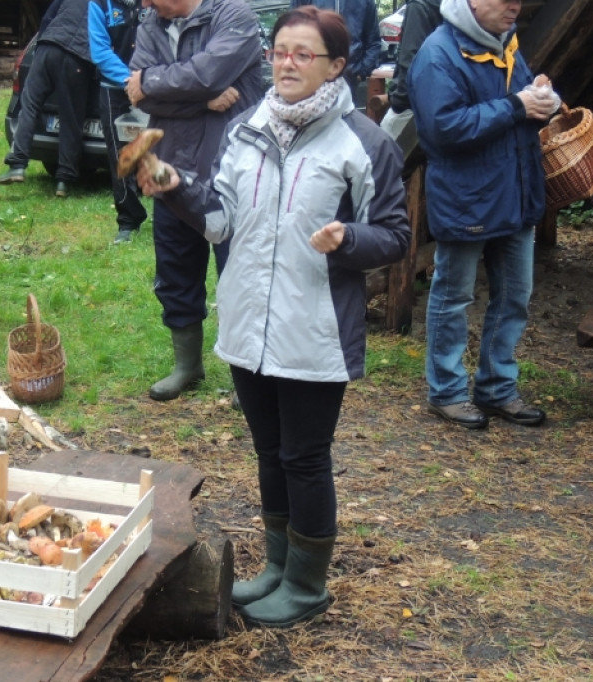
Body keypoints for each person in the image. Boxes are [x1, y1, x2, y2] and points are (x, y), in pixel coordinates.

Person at [136, 6, 410, 626]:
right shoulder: (247, 128)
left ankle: (308, 586)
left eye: (302, 54)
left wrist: (349, 240)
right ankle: (278, 568)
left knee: (304, 458)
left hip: (314, 330)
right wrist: (175, 186)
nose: (286, 63)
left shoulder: (364, 144)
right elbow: (220, 223)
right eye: (280, 51)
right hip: (246, 323)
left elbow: (395, 235)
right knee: (268, 451)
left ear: (336, 65)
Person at [406, 0, 559, 429]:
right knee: (453, 298)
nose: (516, 6)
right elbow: (443, 129)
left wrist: (544, 100)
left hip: (514, 193)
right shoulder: (438, 54)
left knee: (514, 297)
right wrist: (516, 106)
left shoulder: (505, 44)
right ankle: (447, 393)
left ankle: (496, 389)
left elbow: (524, 102)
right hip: (468, 198)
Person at [126, 0, 264, 401]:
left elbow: (208, 74)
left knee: (238, 272)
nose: (145, 4)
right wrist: (202, 100)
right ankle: (188, 365)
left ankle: (247, 372)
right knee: (175, 268)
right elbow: (142, 97)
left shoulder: (234, 16)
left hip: (234, 164)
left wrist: (153, 82)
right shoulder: (151, 23)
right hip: (173, 163)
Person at [0, 0, 95, 198]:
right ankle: (63, 180)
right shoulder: (108, 5)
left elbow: (47, 19)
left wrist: (42, 46)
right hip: (78, 56)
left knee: (29, 105)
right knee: (71, 118)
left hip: (48, 46)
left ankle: (17, 164)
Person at [88, 0, 148, 244]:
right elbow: (100, 50)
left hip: (154, 85)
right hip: (114, 89)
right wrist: (129, 81)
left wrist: (149, 81)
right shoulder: (99, 4)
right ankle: (128, 219)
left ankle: (175, 213)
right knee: (121, 156)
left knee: (165, 150)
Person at [289, 0, 380, 103]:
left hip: (349, 76)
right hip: (313, 71)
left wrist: (361, 72)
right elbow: (293, 32)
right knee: (310, 116)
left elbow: (373, 41)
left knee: (345, 117)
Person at [379, 0, 441, 139]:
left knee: (378, 154)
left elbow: (411, 59)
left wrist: (399, 101)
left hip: (410, 104)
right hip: (439, 102)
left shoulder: (419, 7)